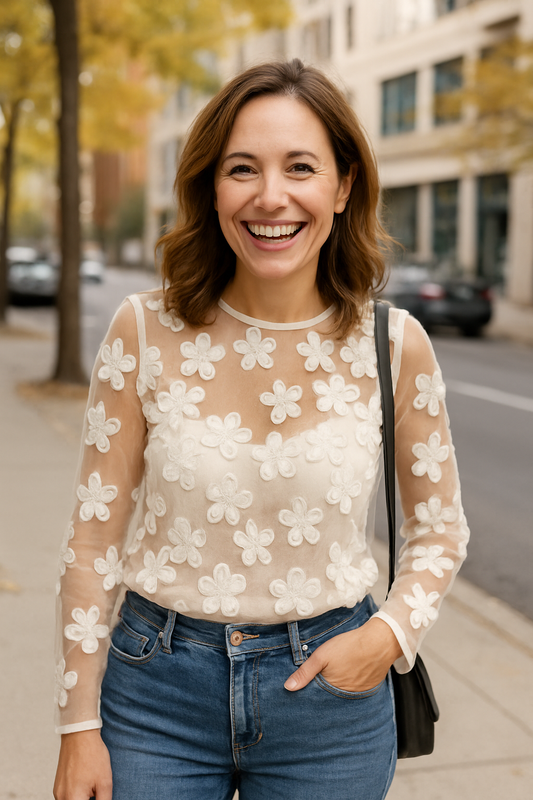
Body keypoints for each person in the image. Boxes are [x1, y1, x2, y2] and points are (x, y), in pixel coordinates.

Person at [53, 59, 468, 800]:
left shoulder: (394, 343)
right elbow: (92, 541)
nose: (270, 197)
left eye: (300, 167)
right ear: (211, 187)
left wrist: (387, 638)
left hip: (331, 709)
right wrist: (77, 725)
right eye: (242, 169)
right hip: (154, 698)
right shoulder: (143, 331)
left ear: (342, 187)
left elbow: (440, 532)